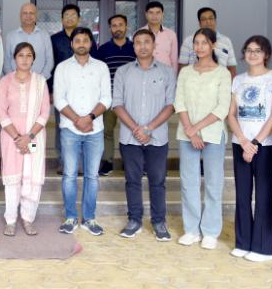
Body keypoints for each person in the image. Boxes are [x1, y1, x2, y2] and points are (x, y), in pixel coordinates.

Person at [226, 35, 272, 261]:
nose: (252, 54)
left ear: (266, 54)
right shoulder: (238, 80)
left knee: (263, 195)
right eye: (249, 50)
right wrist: (242, 140)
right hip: (240, 143)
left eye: (258, 50)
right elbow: (231, 113)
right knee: (242, 195)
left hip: (266, 146)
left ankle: (264, 247)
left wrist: (255, 143)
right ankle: (243, 242)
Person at [112, 29, 176, 241]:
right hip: (130, 138)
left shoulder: (167, 72)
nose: (142, 46)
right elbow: (117, 104)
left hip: (157, 137)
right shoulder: (123, 72)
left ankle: (158, 221)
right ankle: (135, 220)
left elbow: (171, 105)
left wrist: (148, 128)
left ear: (154, 45)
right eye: (138, 42)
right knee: (132, 180)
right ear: (134, 46)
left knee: (158, 181)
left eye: (146, 42)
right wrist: (136, 129)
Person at [174, 28, 232, 250]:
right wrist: (190, 129)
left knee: (213, 183)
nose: (199, 47)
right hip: (186, 133)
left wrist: (197, 129)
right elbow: (179, 102)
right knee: (188, 183)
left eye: (204, 43)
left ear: (213, 45)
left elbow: (222, 107)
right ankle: (191, 230)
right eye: (196, 43)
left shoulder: (222, 73)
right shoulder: (186, 72)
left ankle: (210, 231)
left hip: (213, 134)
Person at [53, 27, 111, 235]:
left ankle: (89, 218)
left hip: (95, 130)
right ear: (71, 44)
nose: (81, 43)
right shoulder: (62, 68)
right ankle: (70, 217)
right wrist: (78, 119)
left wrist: (90, 118)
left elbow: (106, 98)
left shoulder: (101, 67)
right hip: (70, 129)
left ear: (91, 43)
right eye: (77, 40)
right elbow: (59, 99)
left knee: (92, 176)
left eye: (85, 40)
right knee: (69, 175)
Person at [0, 42, 50, 236]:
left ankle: (28, 219)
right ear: (14, 58)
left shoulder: (40, 81)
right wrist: (19, 137)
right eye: (21, 55)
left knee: (33, 177)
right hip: (12, 139)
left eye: (29, 55)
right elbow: (1, 112)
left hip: (35, 138)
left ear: (33, 58)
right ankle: (10, 220)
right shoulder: (5, 81)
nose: (25, 59)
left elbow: (45, 112)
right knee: (13, 178)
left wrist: (29, 137)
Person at [50, 4, 96, 176]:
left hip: (86, 91)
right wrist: (50, 90)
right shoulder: (54, 39)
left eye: (72, 15)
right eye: (66, 15)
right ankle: (63, 162)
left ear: (78, 18)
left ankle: (83, 164)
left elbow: (95, 63)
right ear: (62, 19)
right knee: (62, 126)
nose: (69, 18)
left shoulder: (86, 38)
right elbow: (50, 65)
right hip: (62, 91)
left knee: (85, 123)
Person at [97, 14, 136, 176]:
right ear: (110, 28)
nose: (117, 28)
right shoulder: (103, 50)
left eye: (121, 24)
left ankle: (132, 163)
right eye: (114, 25)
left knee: (132, 131)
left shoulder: (135, 47)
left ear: (126, 26)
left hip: (132, 98)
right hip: (110, 98)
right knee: (107, 130)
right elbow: (98, 75)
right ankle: (108, 162)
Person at [178, 7, 237, 78]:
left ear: (215, 21)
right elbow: (182, 67)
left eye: (211, 18)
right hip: (195, 84)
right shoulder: (188, 41)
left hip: (220, 84)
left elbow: (232, 68)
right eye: (204, 19)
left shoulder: (226, 41)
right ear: (199, 23)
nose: (208, 22)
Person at [3, 2, 55, 81]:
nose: (28, 16)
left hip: (39, 83)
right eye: (25, 13)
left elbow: (49, 60)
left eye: (31, 13)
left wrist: (40, 79)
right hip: (15, 84)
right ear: (20, 16)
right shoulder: (11, 36)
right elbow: (6, 62)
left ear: (36, 16)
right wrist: (14, 79)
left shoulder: (44, 36)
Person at [141, 1, 178, 71]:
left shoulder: (171, 34)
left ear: (163, 14)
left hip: (166, 75)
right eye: (151, 12)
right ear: (146, 15)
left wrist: (173, 78)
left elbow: (174, 60)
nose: (154, 16)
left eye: (158, 12)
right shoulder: (139, 34)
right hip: (145, 74)